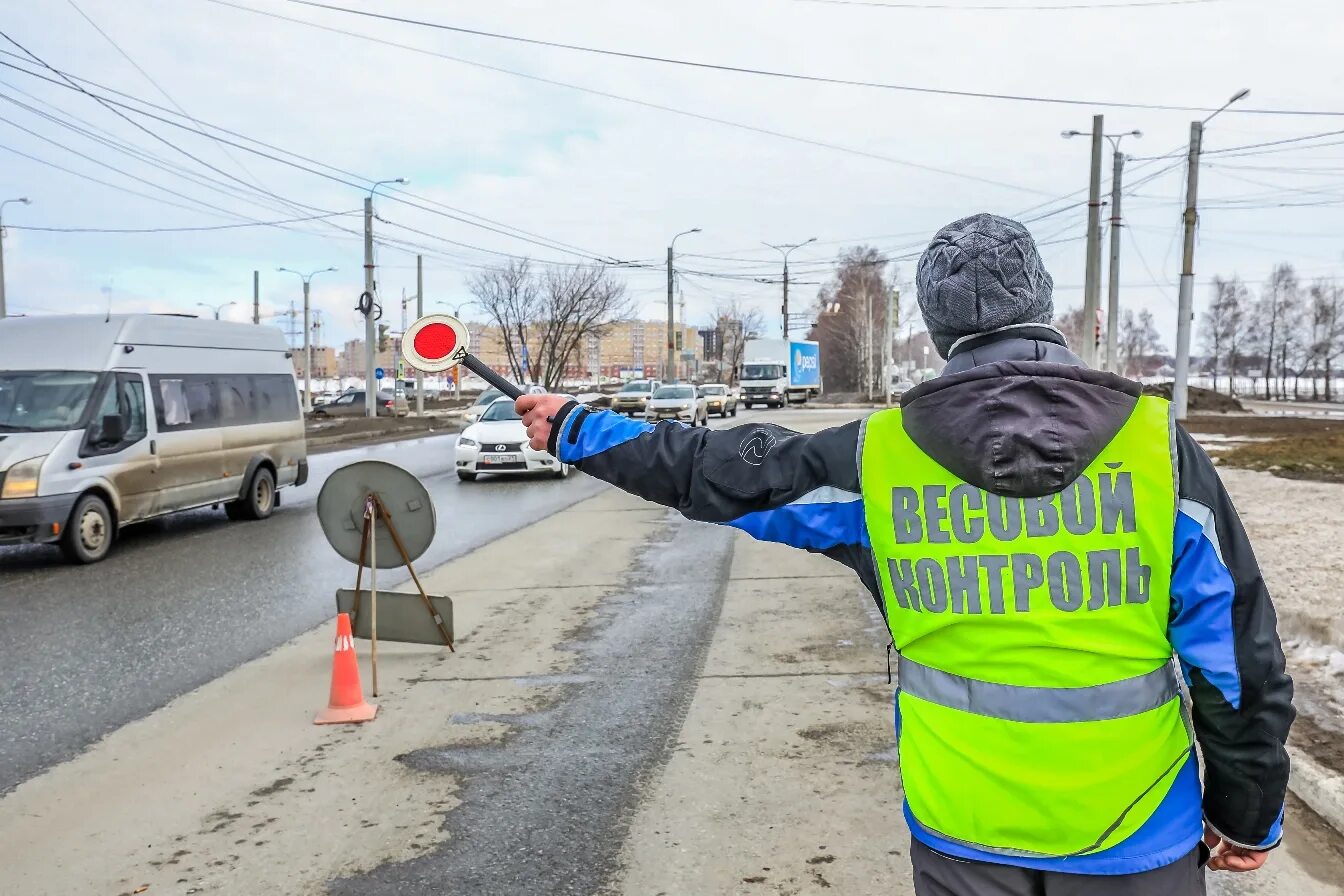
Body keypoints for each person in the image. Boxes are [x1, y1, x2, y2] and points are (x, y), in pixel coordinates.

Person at [516, 213, 1293, 895]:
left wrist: (583, 429)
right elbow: (1236, 663)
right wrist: (1246, 814)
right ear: (1044, 307)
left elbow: (718, 472)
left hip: (962, 826)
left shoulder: (879, 458)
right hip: (1139, 831)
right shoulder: (1155, 449)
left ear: (938, 324)